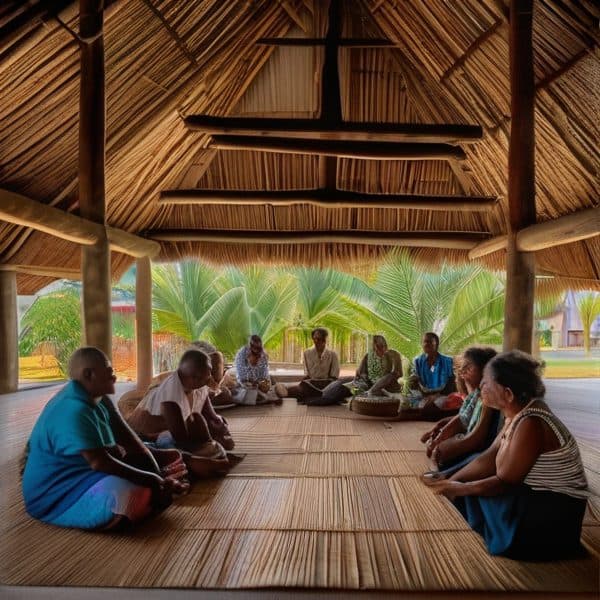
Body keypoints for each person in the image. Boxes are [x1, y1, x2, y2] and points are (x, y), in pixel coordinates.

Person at [424, 350, 588, 560]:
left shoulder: (531, 422)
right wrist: (451, 480)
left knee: (475, 495)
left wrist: (459, 488)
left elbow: (504, 482)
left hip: (552, 518)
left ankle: (513, 540)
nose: (481, 387)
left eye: (486, 383)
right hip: (535, 499)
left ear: (508, 394)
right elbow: (490, 457)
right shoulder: (518, 413)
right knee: (470, 490)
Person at [22, 347, 189, 531]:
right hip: (57, 493)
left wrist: (155, 477)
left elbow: (133, 444)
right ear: (89, 375)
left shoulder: (100, 400)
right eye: (109, 372)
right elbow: (100, 463)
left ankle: (151, 493)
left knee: (170, 460)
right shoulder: (73, 410)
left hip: (89, 473)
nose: (115, 377)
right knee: (131, 499)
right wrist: (156, 482)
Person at [127, 349, 234, 477]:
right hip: (154, 438)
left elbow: (209, 414)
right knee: (180, 453)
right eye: (209, 372)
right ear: (195, 378)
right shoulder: (170, 397)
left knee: (199, 421)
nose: (211, 376)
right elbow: (181, 439)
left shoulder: (199, 385)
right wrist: (212, 441)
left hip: (178, 436)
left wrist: (218, 424)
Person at [420, 346, 500, 474]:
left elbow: (477, 439)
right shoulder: (475, 395)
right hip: (467, 436)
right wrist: (441, 435)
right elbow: (462, 418)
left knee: (442, 452)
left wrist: (443, 448)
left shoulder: (487, 400)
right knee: (438, 447)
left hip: (479, 446)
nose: (463, 370)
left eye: (469, 367)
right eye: (464, 366)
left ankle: (443, 468)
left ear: (485, 371)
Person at [285, 328, 340, 405]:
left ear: (325, 339)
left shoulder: (333, 354)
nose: (316, 341)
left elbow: (334, 375)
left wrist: (330, 386)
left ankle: (317, 398)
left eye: (319, 339)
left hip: (327, 384)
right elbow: (306, 373)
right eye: (314, 338)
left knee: (336, 390)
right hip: (311, 384)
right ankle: (317, 398)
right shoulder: (307, 353)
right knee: (292, 390)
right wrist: (306, 383)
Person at [231, 335, 285, 405]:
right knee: (244, 393)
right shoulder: (241, 356)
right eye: (255, 354)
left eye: (259, 353)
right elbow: (242, 379)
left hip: (258, 385)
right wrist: (252, 384)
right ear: (249, 350)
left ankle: (264, 398)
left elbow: (264, 377)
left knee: (271, 386)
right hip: (242, 385)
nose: (258, 357)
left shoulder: (263, 356)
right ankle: (267, 399)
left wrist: (263, 384)